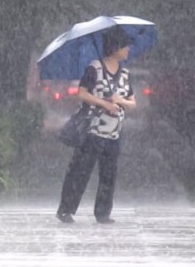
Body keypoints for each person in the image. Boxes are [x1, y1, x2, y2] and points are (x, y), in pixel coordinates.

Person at [56, 25, 136, 224]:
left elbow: (133, 102)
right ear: (115, 46)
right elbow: (82, 93)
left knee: (109, 174)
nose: (129, 50)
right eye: (126, 45)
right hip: (92, 130)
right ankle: (66, 210)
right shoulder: (94, 68)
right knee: (79, 171)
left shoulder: (125, 74)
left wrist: (120, 101)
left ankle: (103, 213)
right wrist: (104, 103)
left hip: (114, 133)